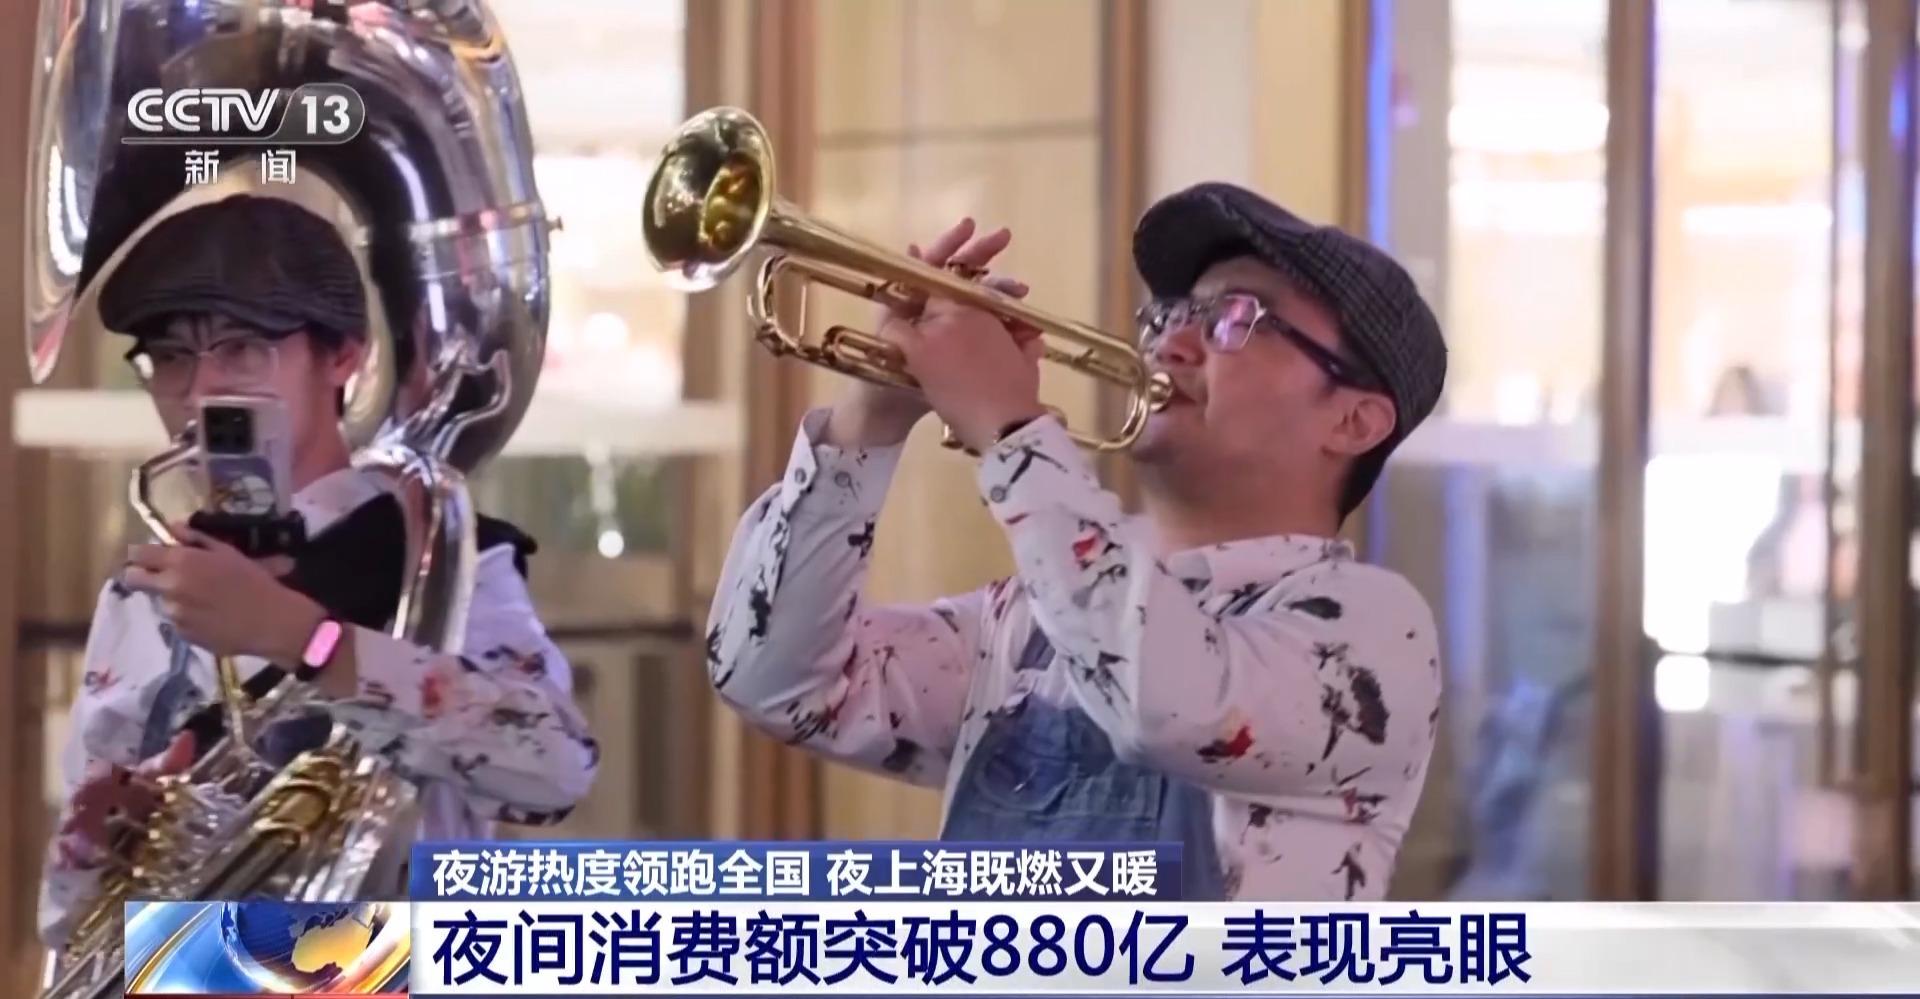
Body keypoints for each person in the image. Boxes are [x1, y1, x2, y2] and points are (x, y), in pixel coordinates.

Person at [705, 183, 1446, 900]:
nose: (1171, 342)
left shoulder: (1372, 632)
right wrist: (869, 422)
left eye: (1235, 318)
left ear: (1353, 421)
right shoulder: (1023, 623)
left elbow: (1164, 703)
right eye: (1169, 314)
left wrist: (1010, 429)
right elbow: (774, 680)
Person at [37, 195, 599, 947]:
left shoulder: (435, 555)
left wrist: (305, 639)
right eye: (169, 357)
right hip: (192, 973)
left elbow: (557, 767)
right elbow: (67, 924)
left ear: (343, 355)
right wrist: (102, 846)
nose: (199, 393)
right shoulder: (142, 594)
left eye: (242, 347)